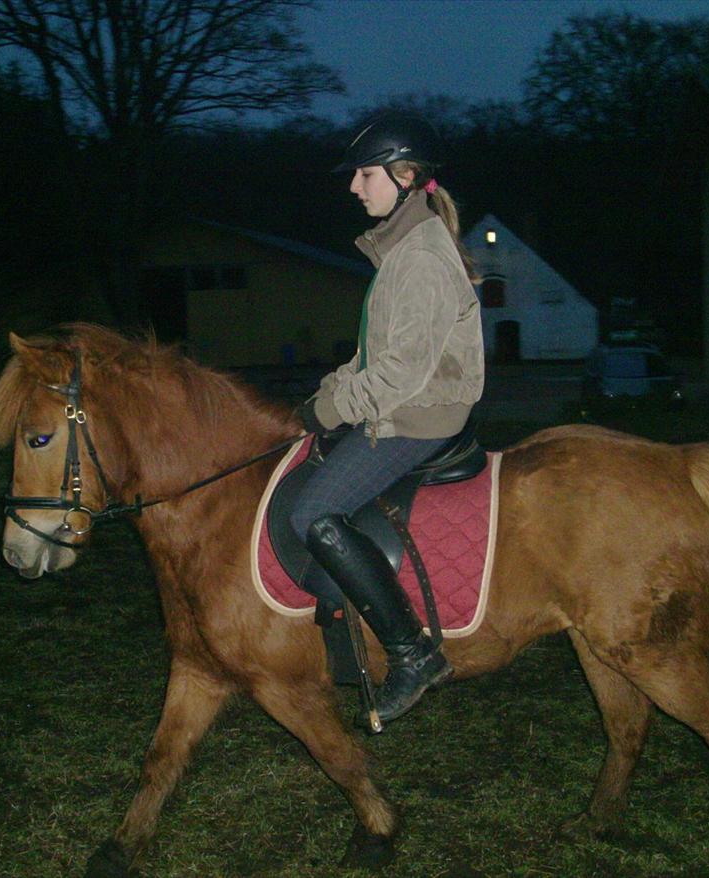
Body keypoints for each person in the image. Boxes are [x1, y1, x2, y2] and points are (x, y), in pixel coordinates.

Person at [291, 112, 485, 725]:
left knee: (312, 512)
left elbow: (400, 374)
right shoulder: (403, 248)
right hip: (407, 404)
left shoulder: (421, 257)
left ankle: (411, 653)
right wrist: (329, 391)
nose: (354, 187)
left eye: (364, 175)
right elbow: (375, 355)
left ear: (405, 177)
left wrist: (331, 409)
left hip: (420, 418)